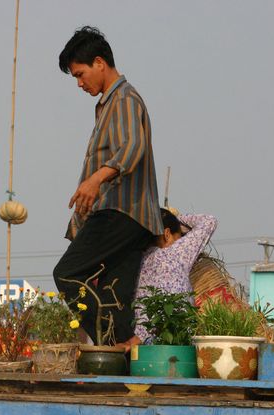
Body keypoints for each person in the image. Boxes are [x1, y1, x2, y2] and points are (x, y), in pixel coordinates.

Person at [53, 26, 163, 346]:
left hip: (122, 210)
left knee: (68, 275)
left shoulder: (126, 99)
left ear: (100, 62)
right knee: (113, 298)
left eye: (80, 74)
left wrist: (95, 179)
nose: (79, 83)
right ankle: (124, 361)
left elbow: (133, 147)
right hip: (129, 217)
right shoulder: (106, 105)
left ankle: (113, 347)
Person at [131, 210, 218, 344]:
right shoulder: (177, 252)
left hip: (142, 340)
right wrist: (177, 217)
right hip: (177, 338)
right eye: (179, 237)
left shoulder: (138, 260)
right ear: (167, 234)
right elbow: (209, 221)